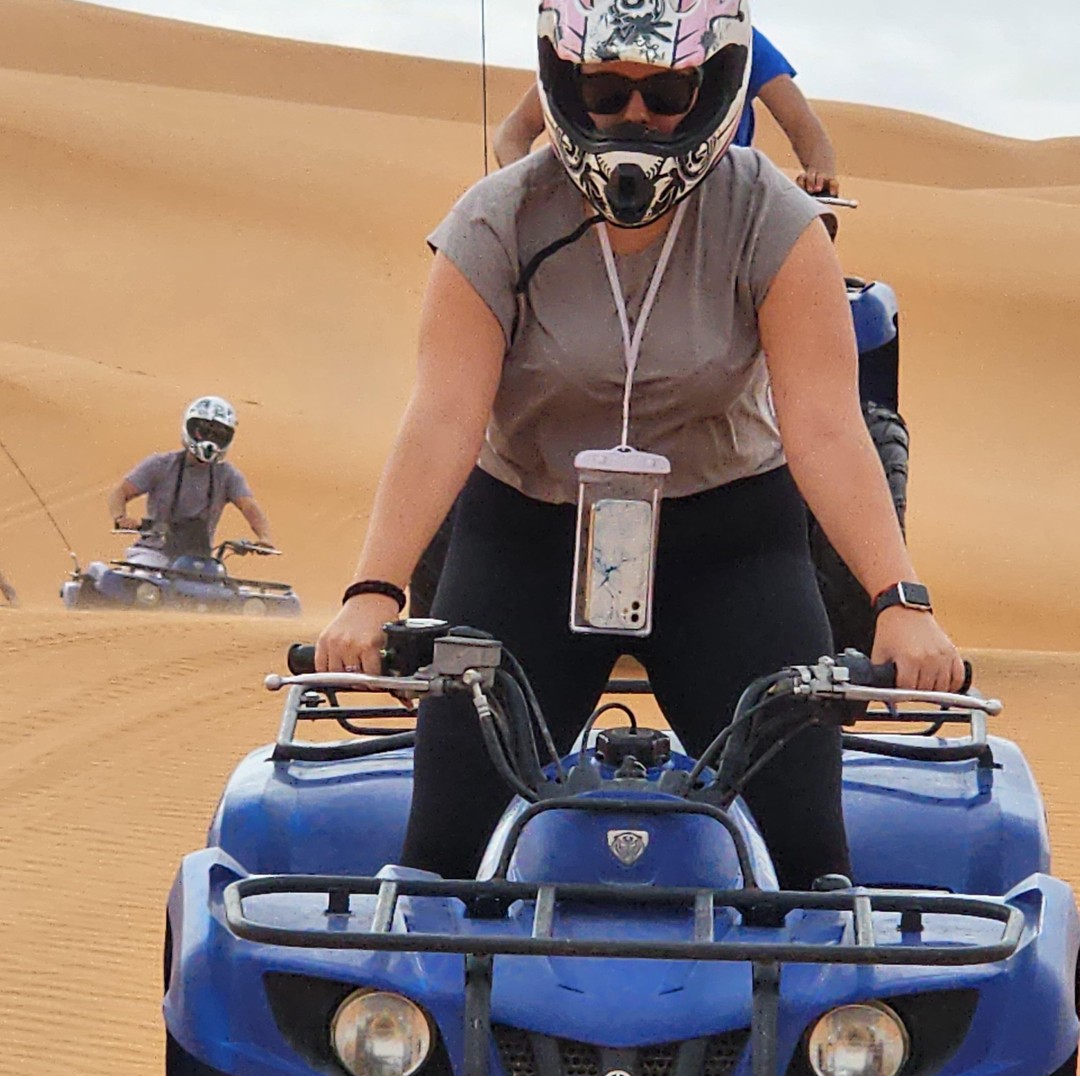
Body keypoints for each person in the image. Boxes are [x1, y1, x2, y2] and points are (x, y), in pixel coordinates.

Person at [318, 0, 962, 890]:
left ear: (710, 89)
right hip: (528, 535)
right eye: (604, 90)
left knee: (811, 863)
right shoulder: (496, 221)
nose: (636, 117)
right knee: (441, 859)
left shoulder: (772, 220)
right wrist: (372, 591)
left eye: (666, 92)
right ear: (562, 86)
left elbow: (823, 422)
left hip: (730, 541)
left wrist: (900, 599)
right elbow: (443, 416)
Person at [493, 26, 839, 195]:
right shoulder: (599, 37)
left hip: (716, 202)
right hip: (605, 196)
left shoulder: (736, 41)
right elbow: (516, 131)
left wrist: (819, 175)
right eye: (606, 91)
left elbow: (799, 120)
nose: (637, 113)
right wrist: (525, 188)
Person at [107, 396, 273, 567]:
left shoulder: (228, 475)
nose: (210, 440)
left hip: (199, 559)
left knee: (221, 589)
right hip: (152, 552)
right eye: (203, 432)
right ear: (189, 428)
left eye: (218, 435)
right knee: (136, 582)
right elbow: (120, 493)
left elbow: (249, 506)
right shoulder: (160, 465)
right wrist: (121, 518)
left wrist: (264, 537)